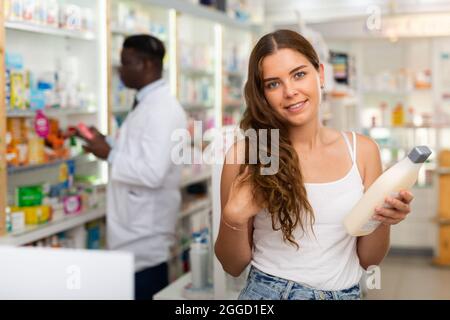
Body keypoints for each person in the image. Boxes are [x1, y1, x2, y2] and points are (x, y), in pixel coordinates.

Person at [214, 29, 414, 300]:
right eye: (273, 84)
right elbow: (232, 265)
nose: (290, 91)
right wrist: (233, 218)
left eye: (299, 74)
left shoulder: (363, 151)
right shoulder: (250, 154)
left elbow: (369, 260)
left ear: (320, 74)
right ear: (262, 94)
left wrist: (383, 219)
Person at [79, 34, 187, 300]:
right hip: (133, 233)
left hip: (145, 238)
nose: (120, 70)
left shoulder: (163, 109)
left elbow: (152, 172)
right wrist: (109, 143)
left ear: (148, 64)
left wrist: (110, 155)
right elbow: (142, 151)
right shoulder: (146, 103)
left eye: (126, 63)